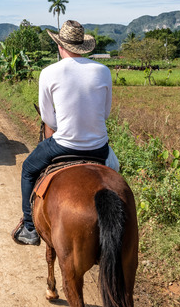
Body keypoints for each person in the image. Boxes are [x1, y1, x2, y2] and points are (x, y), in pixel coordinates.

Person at [12, 20, 112, 246]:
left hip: (63, 145)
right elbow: (105, 115)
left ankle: (30, 228)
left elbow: (48, 119)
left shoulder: (49, 72)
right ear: (82, 46)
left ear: (59, 46)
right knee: (115, 173)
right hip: (99, 147)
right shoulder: (103, 71)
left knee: (28, 169)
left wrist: (65, 126)